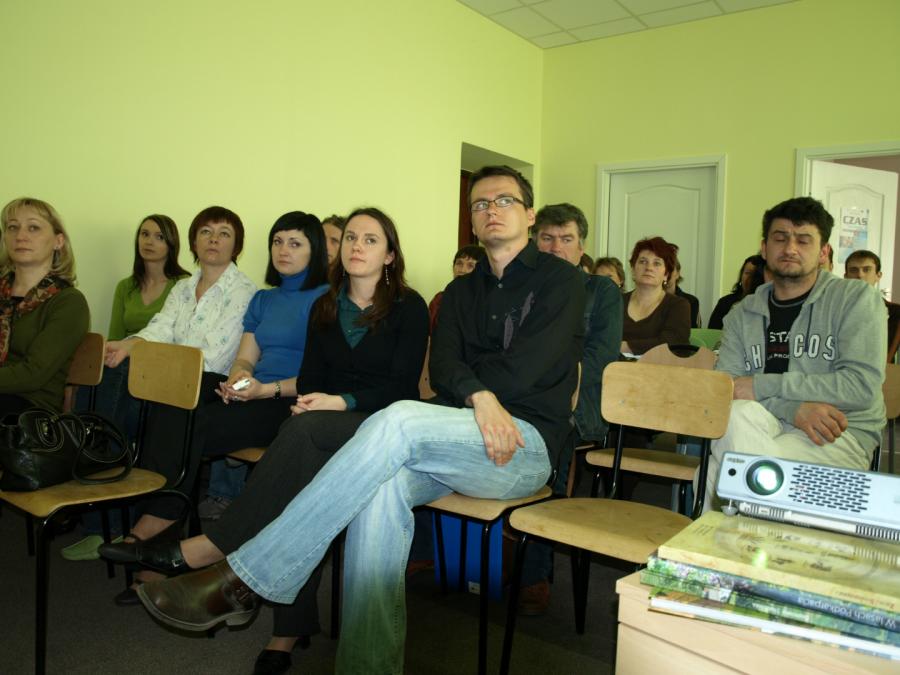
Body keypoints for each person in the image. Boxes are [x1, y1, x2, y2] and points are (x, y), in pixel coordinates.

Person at [134, 165, 585, 674]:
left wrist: (477, 395)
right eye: (480, 204)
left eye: (504, 201)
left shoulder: (562, 281)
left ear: (529, 214)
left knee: (397, 418)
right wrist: (478, 397)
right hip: (451, 440)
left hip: (520, 444)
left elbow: (530, 368)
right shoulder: (459, 292)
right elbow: (444, 366)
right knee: (377, 492)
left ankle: (244, 575)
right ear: (472, 220)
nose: (491, 211)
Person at [103, 206, 429, 674]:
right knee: (302, 476)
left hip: (381, 424)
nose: (357, 246)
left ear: (390, 255)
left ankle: (214, 548)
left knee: (301, 436)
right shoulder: (327, 306)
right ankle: (285, 625)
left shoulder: (408, 306)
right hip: (320, 422)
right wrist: (304, 399)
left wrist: (335, 402)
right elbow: (312, 376)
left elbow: (401, 388)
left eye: (370, 240)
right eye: (351, 238)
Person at [101, 205, 257, 603]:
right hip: (177, 386)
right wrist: (130, 344)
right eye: (206, 232)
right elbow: (161, 328)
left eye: (224, 233)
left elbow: (215, 354)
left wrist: (162, 362)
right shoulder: (183, 288)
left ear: (237, 245)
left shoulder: (244, 291)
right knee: (135, 384)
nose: (214, 240)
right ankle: (154, 554)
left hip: (218, 388)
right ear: (192, 242)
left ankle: (149, 532)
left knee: (173, 407)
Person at [706, 197, 886, 511]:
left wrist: (763, 385)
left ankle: (732, 534)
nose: (790, 248)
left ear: (824, 252)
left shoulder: (856, 299)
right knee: (736, 417)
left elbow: (860, 387)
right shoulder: (741, 313)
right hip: (765, 422)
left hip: (837, 431)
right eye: (780, 238)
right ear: (764, 248)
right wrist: (793, 409)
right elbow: (729, 390)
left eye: (803, 240)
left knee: (715, 476)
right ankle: (750, 532)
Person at [63, 214, 189, 561]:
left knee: (105, 426)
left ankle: (103, 521)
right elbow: (115, 337)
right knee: (98, 384)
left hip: (158, 385)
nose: (149, 241)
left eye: (159, 236)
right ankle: (97, 513)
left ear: (172, 244)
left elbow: (178, 343)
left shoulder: (183, 286)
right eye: (144, 234)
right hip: (122, 380)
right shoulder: (126, 287)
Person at [527, 202, 622, 613]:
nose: (555, 247)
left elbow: (600, 358)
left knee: (549, 449)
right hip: (520, 398)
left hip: (574, 405)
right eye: (547, 238)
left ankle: (533, 573)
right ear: (534, 243)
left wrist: (543, 380)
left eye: (566, 239)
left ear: (581, 248)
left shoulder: (601, 291)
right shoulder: (521, 287)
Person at [0, 197, 88, 414]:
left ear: (58, 241)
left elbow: (33, 374)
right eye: (13, 227)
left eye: (33, 228)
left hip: (27, 412)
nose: (21, 236)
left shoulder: (69, 302)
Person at [621, 236, 690, 355]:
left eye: (657, 263)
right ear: (633, 269)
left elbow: (672, 343)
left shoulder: (678, 306)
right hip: (616, 366)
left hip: (661, 366)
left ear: (666, 274)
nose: (649, 268)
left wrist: (626, 347)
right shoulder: (616, 302)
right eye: (643, 261)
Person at [843, 249, 900, 362]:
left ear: (878, 275)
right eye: (854, 270)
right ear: (846, 276)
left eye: (866, 270)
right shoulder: (835, 309)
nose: (860, 275)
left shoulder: (896, 313)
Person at [427, 244, 485, 333]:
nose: (462, 270)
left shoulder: (487, 301)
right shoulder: (439, 300)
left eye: (470, 266)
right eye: (459, 263)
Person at [708, 254, 763, 330]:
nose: (750, 278)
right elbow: (712, 332)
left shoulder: (766, 304)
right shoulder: (725, 302)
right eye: (747, 273)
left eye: (755, 274)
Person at [667, 258, 701, 328]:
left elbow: (694, 331)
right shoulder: (647, 298)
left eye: (670, 270)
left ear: (678, 274)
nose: (667, 274)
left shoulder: (691, 301)